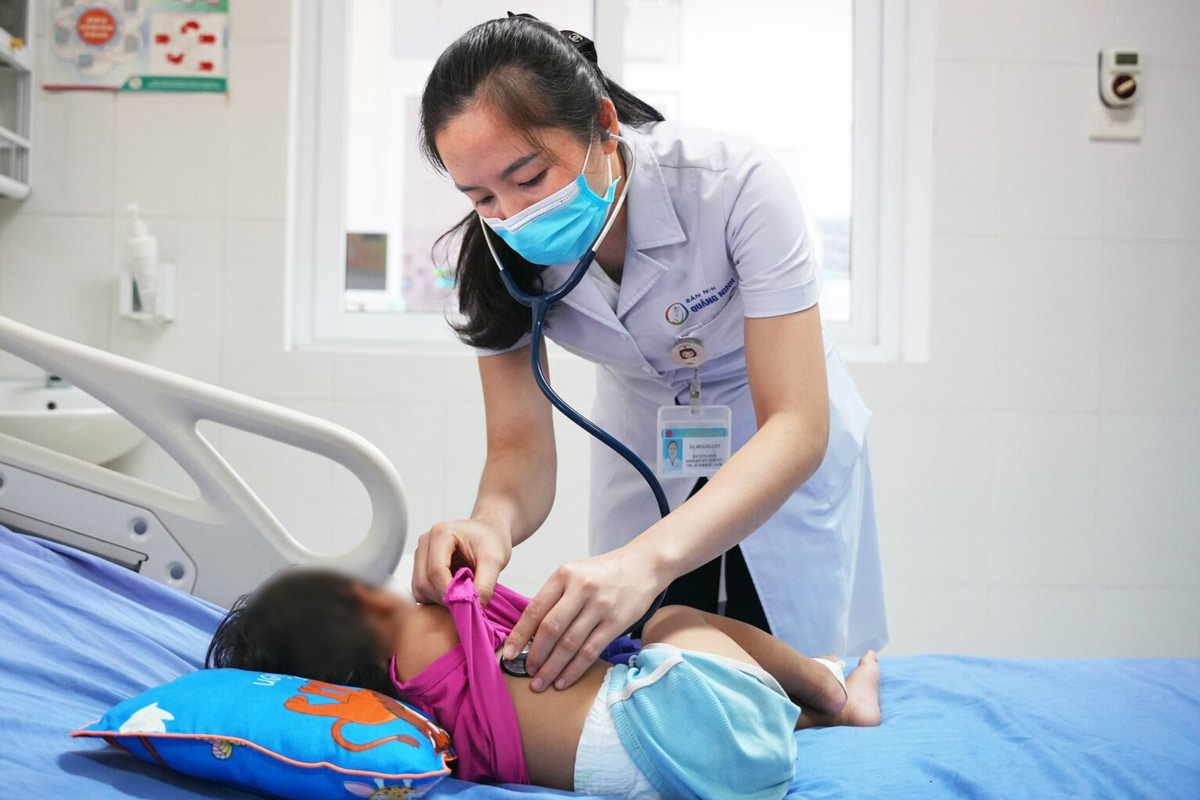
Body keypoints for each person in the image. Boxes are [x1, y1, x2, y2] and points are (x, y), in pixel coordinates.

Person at [412, 14, 887, 695]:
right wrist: (489, 524)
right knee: (653, 670)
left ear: (604, 123)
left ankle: (838, 698)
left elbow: (797, 424)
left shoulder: (735, 187)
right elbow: (518, 452)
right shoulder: (493, 265)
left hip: (770, 433)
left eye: (531, 176)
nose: (513, 216)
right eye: (482, 196)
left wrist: (645, 561)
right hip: (645, 436)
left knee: (786, 677)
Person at [206, 567, 882, 797]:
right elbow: (495, 605)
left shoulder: (406, 724)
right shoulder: (420, 636)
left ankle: (805, 718)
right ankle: (827, 692)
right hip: (685, 720)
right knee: (672, 617)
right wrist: (459, 580)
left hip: (674, 779)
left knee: (663, 670)